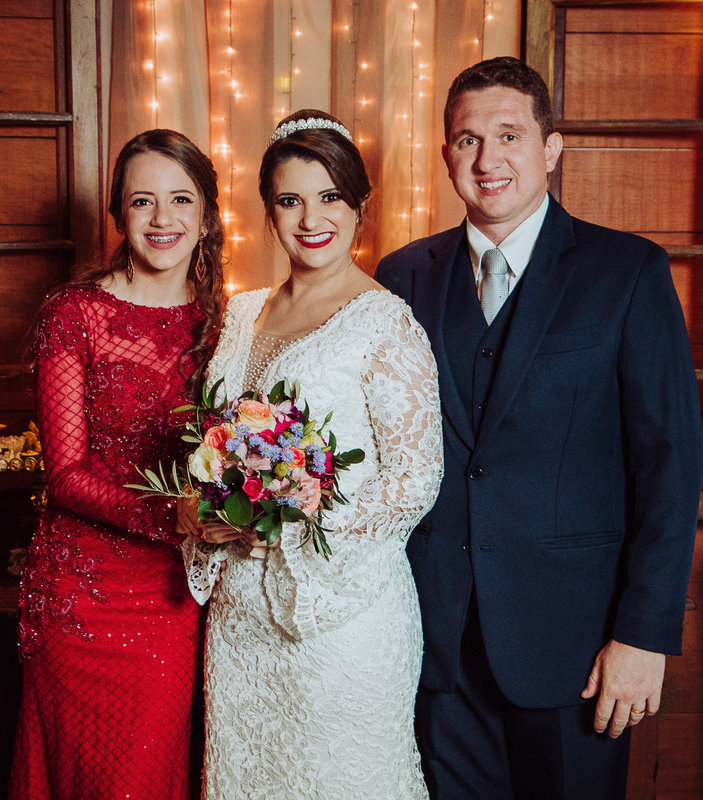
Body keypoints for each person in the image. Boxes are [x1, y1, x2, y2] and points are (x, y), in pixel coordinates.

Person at [374, 57, 703, 800]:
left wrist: (644, 634)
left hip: (578, 649)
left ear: (551, 149)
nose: (488, 160)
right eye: (467, 140)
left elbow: (671, 465)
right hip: (433, 647)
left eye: (510, 135)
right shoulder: (402, 278)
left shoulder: (628, 272)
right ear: (445, 154)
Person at [181, 109, 443, 799]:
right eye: (290, 200)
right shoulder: (240, 312)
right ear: (268, 210)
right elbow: (213, 439)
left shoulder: (387, 323)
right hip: (239, 617)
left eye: (330, 196)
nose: (311, 218)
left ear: (360, 202)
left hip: (343, 616)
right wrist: (205, 506)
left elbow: (416, 479)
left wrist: (290, 521)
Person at [9, 129, 226, 799]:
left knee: (148, 775)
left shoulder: (225, 321)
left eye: (180, 199)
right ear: (118, 215)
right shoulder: (73, 314)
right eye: (142, 201)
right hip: (83, 593)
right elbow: (66, 476)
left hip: (172, 594)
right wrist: (175, 516)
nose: (162, 219)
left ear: (209, 216)